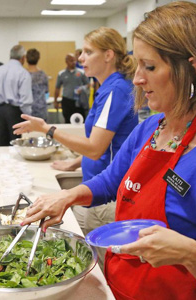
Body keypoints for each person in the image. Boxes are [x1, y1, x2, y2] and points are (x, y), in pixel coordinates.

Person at [22, 2, 196, 299]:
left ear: (192, 68)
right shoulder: (151, 128)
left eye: (151, 67)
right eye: (138, 63)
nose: (137, 78)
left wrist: (192, 255)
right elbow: (111, 181)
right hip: (121, 286)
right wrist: (69, 195)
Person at [14, 27, 138, 270]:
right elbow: (108, 145)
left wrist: (47, 129)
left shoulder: (116, 90)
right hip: (94, 188)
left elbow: (95, 148)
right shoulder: (108, 88)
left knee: (100, 268)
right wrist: (75, 162)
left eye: (88, 52)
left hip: (106, 197)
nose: (81, 58)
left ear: (108, 55)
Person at [0, 44, 33, 146]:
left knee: (0, 144)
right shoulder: (23, 73)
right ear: (23, 58)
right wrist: (28, 117)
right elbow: (25, 100)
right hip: (15, 112)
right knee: (16, 144)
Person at [53, 53, 89, 123]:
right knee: (68, 121)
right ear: (66, 61)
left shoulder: (81, 72)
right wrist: (55, 101)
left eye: (75, 60)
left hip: (79, 101)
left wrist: (82, 88)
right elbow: (57, 88)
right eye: (71, 61)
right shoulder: (61, 74)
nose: (74, 62)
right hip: (67, 101)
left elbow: (88, 84)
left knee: (80, 121)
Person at [25, 48, 48, 120]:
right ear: (38, 58)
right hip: (41, 109)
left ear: (26, 59)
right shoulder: (43, 75)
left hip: (27, 109)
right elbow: (46, 91)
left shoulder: (23, 74)